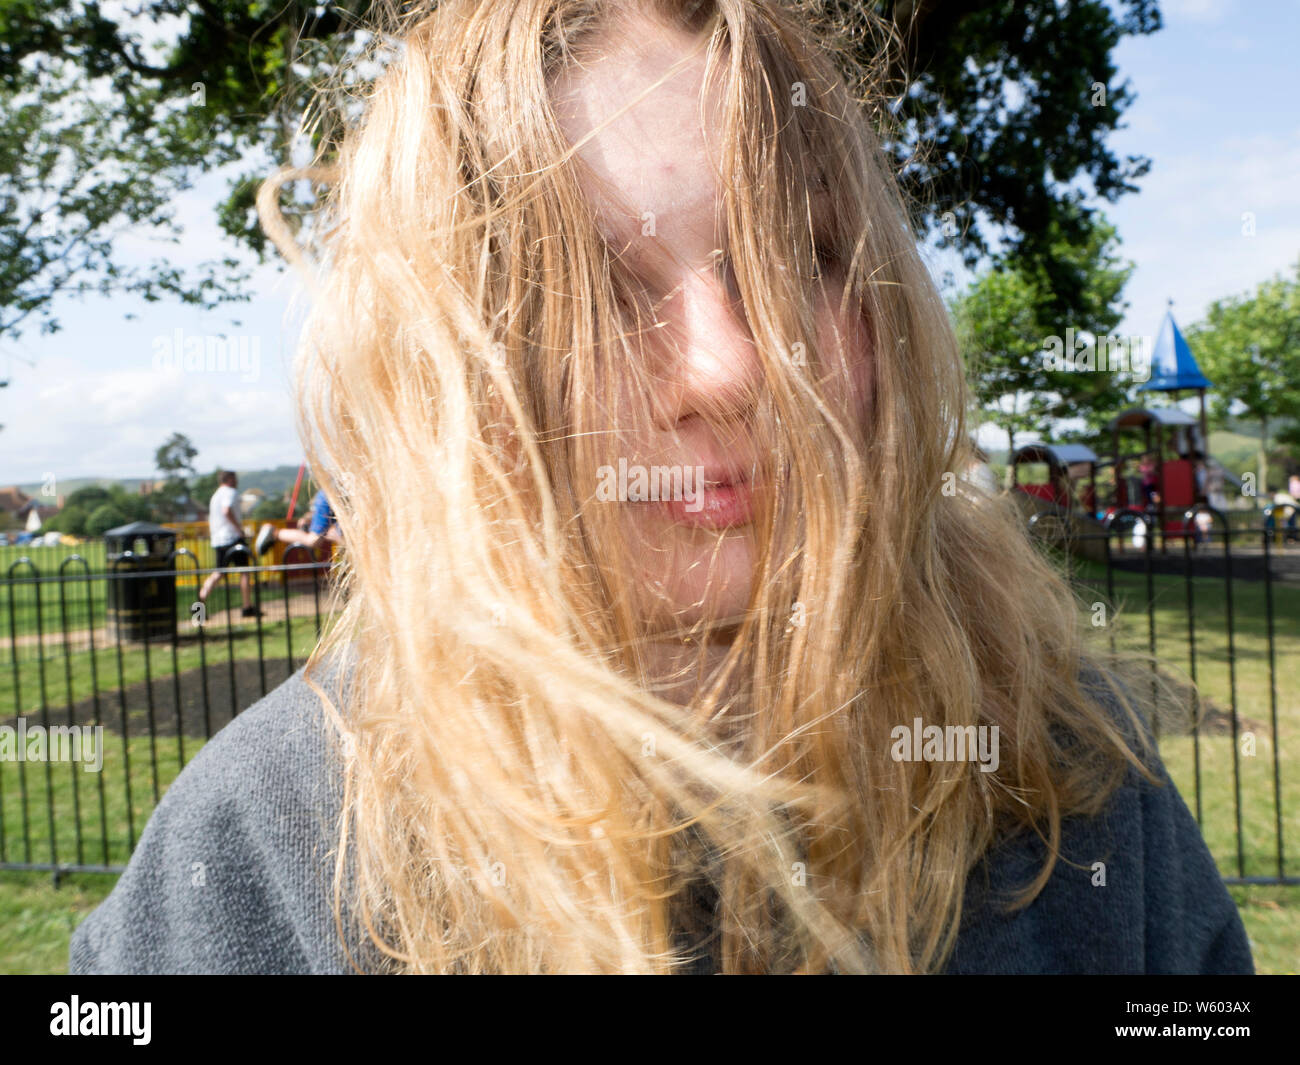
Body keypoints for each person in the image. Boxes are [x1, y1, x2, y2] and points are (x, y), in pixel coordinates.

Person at [70, 0, 1251, 975]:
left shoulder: (1068, 770)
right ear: (444, 366)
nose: (729, 367)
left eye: (798, 257)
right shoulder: (259, 853)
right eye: (597, 286)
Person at [198, 470, 261, 618]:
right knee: (244, 572)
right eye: (235, 479)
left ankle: (199, 603)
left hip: (219, 539)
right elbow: (226, 511)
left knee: (218, 573)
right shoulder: (230, 492)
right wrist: (239, 530)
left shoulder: (215, 495)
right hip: (232, 538)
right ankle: (247, 607)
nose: (236, 481)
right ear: (229, 480)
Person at [254, 489, 342, 559]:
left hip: (331, 496)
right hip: (331, 496)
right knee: (313, 540)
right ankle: (275, 533)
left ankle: (276, 533)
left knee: (331, 536)